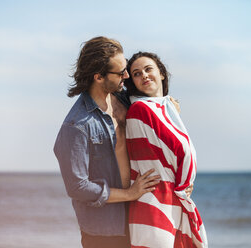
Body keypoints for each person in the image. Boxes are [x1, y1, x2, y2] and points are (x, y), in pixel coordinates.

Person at [53, 37, 161, 248]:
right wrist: (130, 193)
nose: (127, 76)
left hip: (139, 218)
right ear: (99, 77)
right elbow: (78, 187)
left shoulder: (123, 99)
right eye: (121, 72)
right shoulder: (76, 125)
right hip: (104, 232)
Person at [124, 52, 208, 248]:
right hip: (154, 202)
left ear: (161, 73)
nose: (143, 75)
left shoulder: (167, 110)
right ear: (133, 82)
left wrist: (184, 182)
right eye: (136, 74)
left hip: (174, 199)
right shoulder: (140, 110)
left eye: (148, 69)